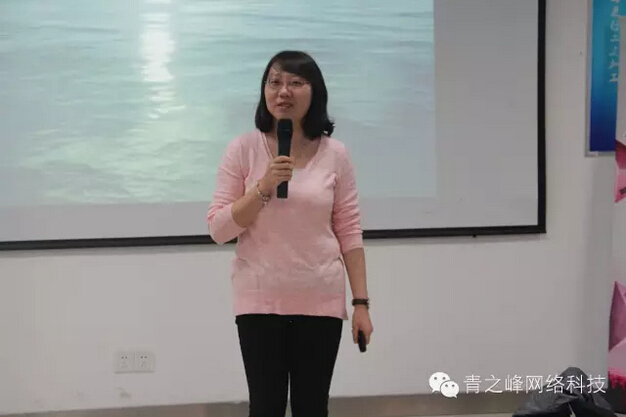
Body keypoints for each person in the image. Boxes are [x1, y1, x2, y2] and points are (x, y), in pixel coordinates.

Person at [206, 50, 373, 417]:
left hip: (320, 297)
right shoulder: (242, 149)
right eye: (275, 82)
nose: (283, 91)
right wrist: (263, 187)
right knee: (265, 407)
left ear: (315, 93)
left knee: (312, 407)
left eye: (296, 83)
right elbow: (219, 228)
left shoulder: (336, 154)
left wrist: (361, 303)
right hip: (260, 300)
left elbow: (349, 230)